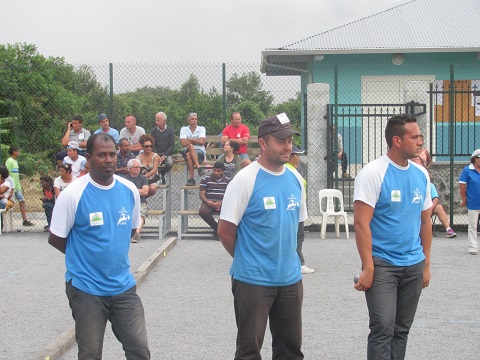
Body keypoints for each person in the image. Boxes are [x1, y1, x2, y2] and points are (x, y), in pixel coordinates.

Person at [48, 133, 150, 359]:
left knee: (139, 350)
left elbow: (132, 229)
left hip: (123, 287)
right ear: (88, 158)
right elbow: (56, 238)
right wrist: (86, 257)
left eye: (112, 154)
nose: (108, 160)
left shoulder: (129, 190)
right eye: (101, 155)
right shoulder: (73, 194)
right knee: (90, 354)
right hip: (86, 289)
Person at [218, 113, 307, 359]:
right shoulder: (245, 180)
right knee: (249, 350)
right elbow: (225, 231)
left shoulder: (296, 179)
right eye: (281, 141)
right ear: (263, 143)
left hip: (290, 279)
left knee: (290, 350)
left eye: (289, 140)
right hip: (253, 280)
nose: (287, 146)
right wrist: (249, 259)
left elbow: (296, 227)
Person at [353, 114, 432, 360]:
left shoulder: (421, 175)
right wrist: (368, 266)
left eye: (420, 136)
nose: (420, 141)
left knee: (401, 330)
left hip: (414, 264)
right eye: (415, 136)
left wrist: (426, 265)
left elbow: (425, 222)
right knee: (383, 328)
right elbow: (361, 222)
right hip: (383, 265)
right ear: (397, 140)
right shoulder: (373, 173)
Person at [286, 145, 314, 274]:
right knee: (297, 236)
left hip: (296, 208)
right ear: (290, 157)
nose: (299, 158)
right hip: (294, 210)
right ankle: (299, 264)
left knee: (296, 236)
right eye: (297, 155)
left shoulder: (291, 170)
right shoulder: (289, 171)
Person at [199, 161, 230, 237]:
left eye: (218, 171)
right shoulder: (205, 179)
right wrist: (207, 201)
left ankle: (221, 229)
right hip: (209, 202)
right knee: (203, 211)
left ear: (222, 171)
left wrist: (221, 203)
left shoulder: (228, 180)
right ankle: (217, 228)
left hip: (223, 203)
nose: (216, 172)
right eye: (215, 170)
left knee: (230, 212)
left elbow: (230, 196)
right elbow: (202, 194)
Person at [5, 146, 34, 226]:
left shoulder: (16, 162)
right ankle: (4, 221)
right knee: (9, 203)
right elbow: (5, 173)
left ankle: (25, 220)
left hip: (17, 186)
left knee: (22, 201)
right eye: (18, 151)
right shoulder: (9, 161)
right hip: (11, 187)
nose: (19, 153)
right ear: (14, 152)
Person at [459, 148, 480, 255]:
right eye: (479, 158)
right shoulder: (467, 170)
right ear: (474, 159)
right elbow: (462, 186)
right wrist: (464, 200)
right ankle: (473, 247)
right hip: (474, 202)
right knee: (473, 226)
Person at [124, 159, 149, 243]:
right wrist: (139, 190)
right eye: (136, 167)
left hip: (141, 202)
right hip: (128, 202)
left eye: (139, 167)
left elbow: (145, 191)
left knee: (141, 215)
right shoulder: (125, 179)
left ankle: (136, 234)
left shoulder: (143, 178)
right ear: (130, 168)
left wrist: (132, 190)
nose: (139, 169)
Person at [179, 112, 206, 186]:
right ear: (188, 121)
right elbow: (183, 143)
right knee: (190, 147)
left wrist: (189, 139)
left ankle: (191, 179)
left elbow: (201, 142)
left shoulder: (201, 129)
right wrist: (196, 140)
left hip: (199, 152)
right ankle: (199, 168)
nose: (194, 120)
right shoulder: (184, 129)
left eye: (196, 119)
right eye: (192, 119)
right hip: (187, 150)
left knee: (189, 154)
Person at [151, 112, 175, 185]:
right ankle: (156, 177)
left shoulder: (171, 131)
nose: (156, 122)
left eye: (158, 120)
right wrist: (156, 155)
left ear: (164, 120)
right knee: (151, 163)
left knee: (170, 163)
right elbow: (153, 145)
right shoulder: (153, 131)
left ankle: (162, 173)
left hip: (167, 153)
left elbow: (171, 145)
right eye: (156, 120)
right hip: (156, 153)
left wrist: (165, 155)